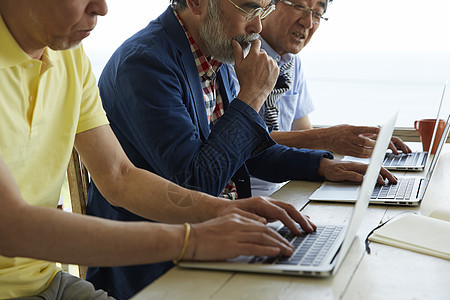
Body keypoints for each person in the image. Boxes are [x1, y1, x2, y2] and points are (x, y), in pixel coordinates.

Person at [0, 0, 326, 298]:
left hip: (45, 280)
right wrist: (192, 239)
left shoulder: (69, 56)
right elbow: (12, 228)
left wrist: (225, 212)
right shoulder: (144, 60)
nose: (101, 8)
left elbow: (119, 176)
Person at [86, 0, 396, 297]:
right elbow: (195, 184)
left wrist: (323, 166)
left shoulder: (218, 51)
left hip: (221, 240)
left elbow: (248, 150)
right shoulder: (145, 64)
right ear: (196, 2)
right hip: (162, 267)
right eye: (248, 8)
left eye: (263, 10)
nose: (258, 26)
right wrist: (251, 96)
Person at [228, 0, 411, 196]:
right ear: (267, 6)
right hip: (246, 193)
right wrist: (328, 138)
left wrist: (359, 140)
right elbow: (239, 139)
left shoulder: (291, 63)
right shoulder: (235, 57)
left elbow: (303, 132)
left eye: (317, 14)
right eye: (298, 6)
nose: (307, 23)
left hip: (287, 187)